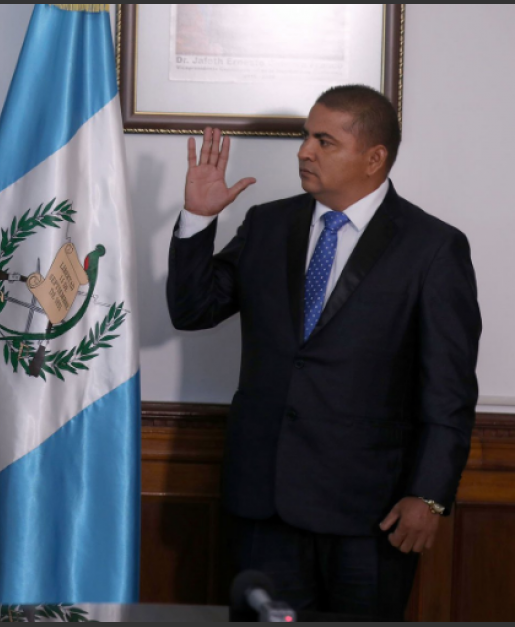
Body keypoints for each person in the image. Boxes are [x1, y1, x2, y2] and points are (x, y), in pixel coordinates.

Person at [167, 85, 481, 620]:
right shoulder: (267, 224)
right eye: (304, 136)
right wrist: (198, 219)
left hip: (372, 516)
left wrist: (428, 496)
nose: (303, 151)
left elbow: (449, 391)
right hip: (263, 508)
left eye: (324, 141)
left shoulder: (432, 247)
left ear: (374, 157)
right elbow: (193, 311)